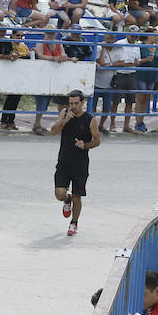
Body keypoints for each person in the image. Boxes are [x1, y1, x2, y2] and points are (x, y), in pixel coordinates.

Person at [51, 90, 100, 237]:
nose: (73, 106)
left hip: (80, 164)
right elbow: (53, 131)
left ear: (83, 103)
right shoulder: (64, 114)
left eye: (76, 103)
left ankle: (74, 222)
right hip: (63, 162)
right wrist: (65, 120)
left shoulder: (90, 119)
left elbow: (97, 141)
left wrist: (85, 145)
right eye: (71, 103)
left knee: (77, 197)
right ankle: (67, 200)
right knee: (59, 193)